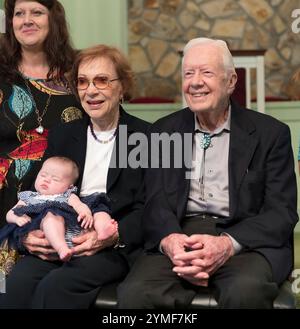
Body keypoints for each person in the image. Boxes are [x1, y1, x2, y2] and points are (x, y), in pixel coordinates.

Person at [118, 37, 298, 309]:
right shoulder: (163, 132)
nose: (195, 81)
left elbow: (281, 212)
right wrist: (170, 240)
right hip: (180, 232)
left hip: (244, 238)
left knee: (244, 292)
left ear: (231, 81)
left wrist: (226, 245)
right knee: (135, 292)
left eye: (207, 72)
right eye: (188, 73)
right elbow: (154, 200)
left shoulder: (270, 134)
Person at [0, 44, 149, 309]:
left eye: (102, 80)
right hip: (60, 235)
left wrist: (113, 236)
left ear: (122, 86)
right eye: (82, 82)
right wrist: (29, 236)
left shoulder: (146, 137)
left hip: (112, 246)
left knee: (56, 287)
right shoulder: (64, 134)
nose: (91, 90)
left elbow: (149, 206)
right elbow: (44, 192)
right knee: (16, 284)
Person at [0, 0, 83, 229]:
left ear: (53, 19)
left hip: (63, 208)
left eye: (37, 12)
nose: (27, 20)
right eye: (19, 13)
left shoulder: (78, 72)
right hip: (5, 205)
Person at [1, 156, 117, 261]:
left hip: (79, 235)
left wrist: (85, 213)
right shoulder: (28, 197)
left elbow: (80, 206)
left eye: (55, 179)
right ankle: (62, 248)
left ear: (69, 187)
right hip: (50, 241)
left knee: (98, 208)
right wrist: (17, 219)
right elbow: (10, 213)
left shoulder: (68, 195)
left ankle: (104, 230)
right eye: (43, 175)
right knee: (51, 218)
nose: (46, 180)